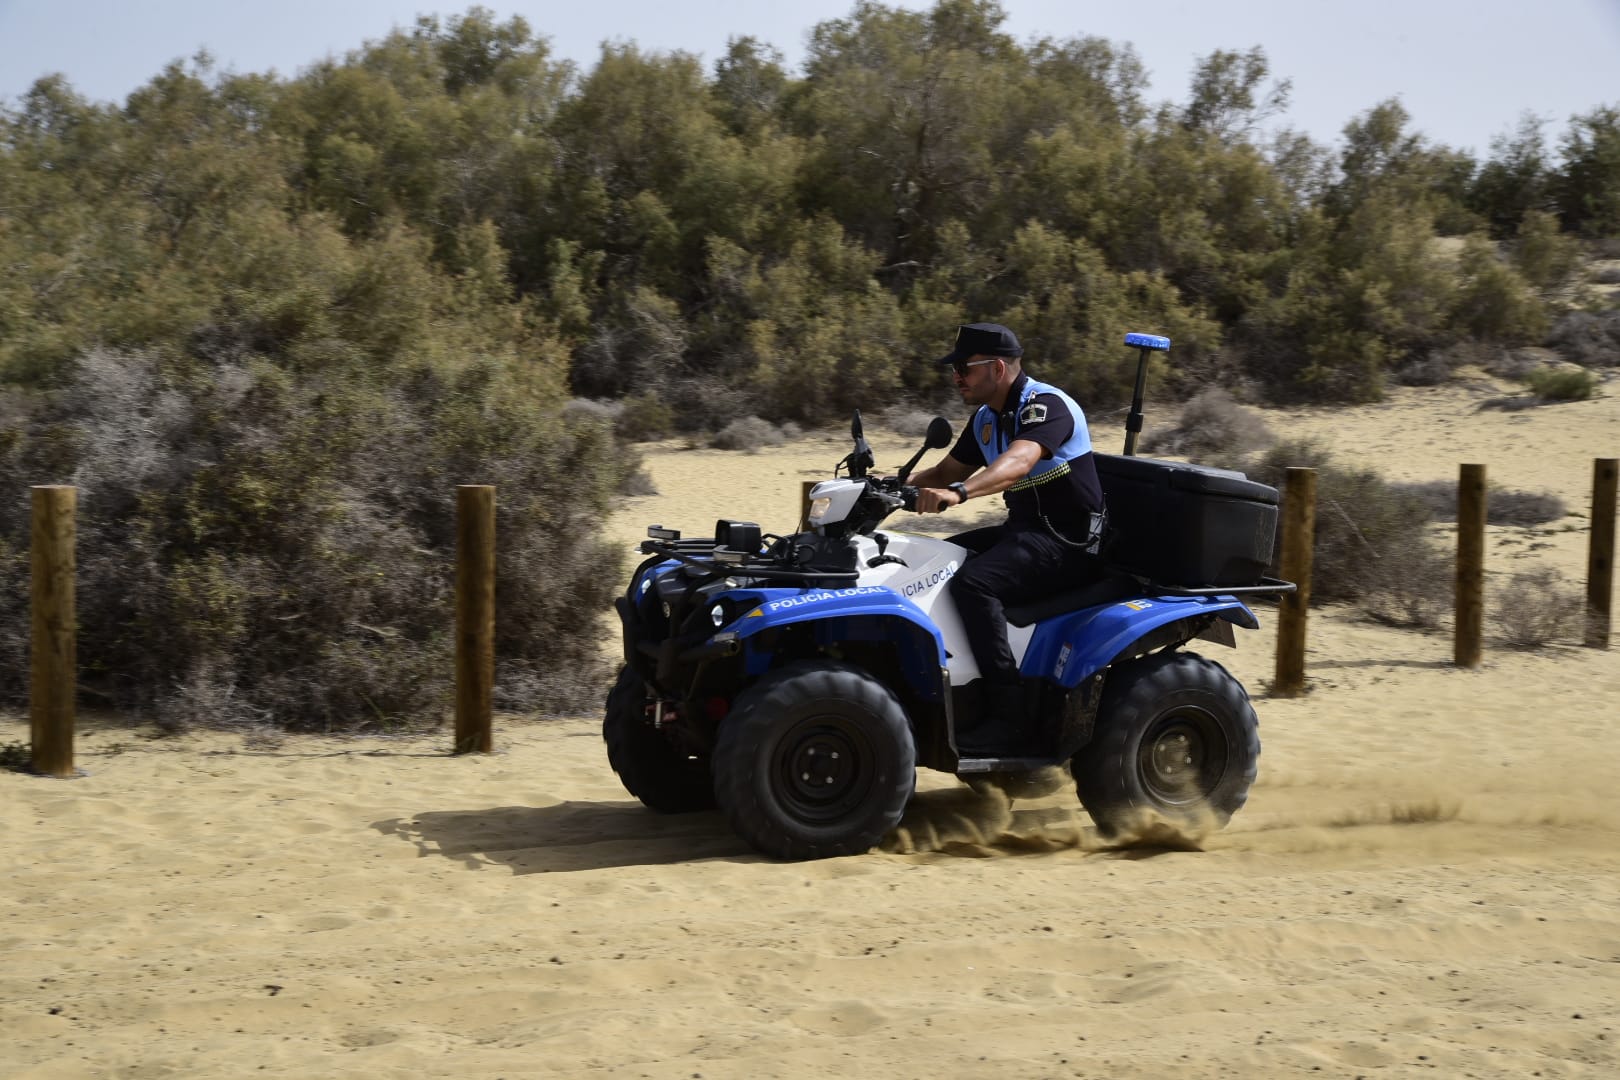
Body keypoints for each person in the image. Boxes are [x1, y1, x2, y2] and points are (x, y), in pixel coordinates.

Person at [908, 322, 1107, 752]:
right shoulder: (986, 418)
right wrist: (887, 485)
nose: (956, 378)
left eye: (964, 368)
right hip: (1025, 533)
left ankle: (1008, 715)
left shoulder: (1046, 406)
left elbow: (1019, 461)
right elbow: (945, 471)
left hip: (1068, 542)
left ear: (997, 368)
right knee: (935, 557)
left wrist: (959, 493)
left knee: (974, 584)